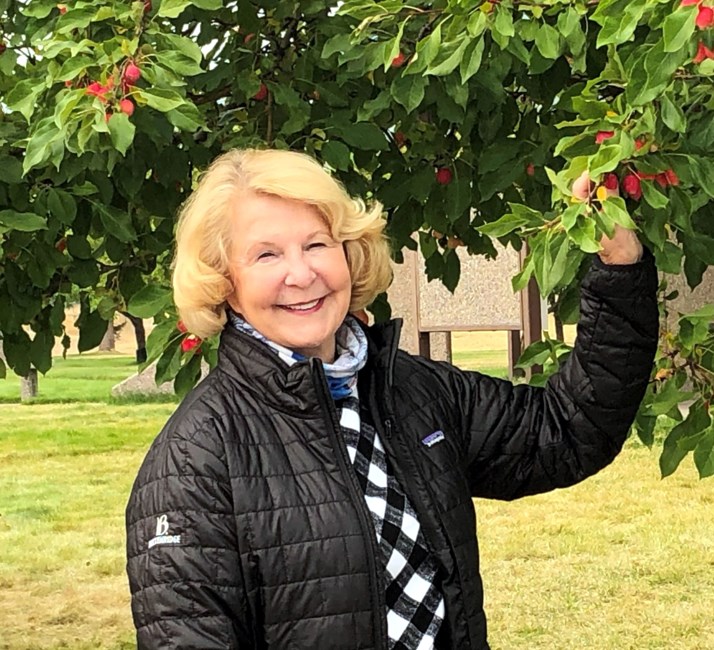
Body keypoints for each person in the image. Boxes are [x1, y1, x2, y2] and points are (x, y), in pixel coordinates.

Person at [125, 149, 658, 650]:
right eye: (266, 254)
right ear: (224, 282)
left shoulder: (413, 391)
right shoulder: (194, 460)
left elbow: (566, 430)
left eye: (317, 244)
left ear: (348, 253)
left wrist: (620, 268)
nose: (302, 273)